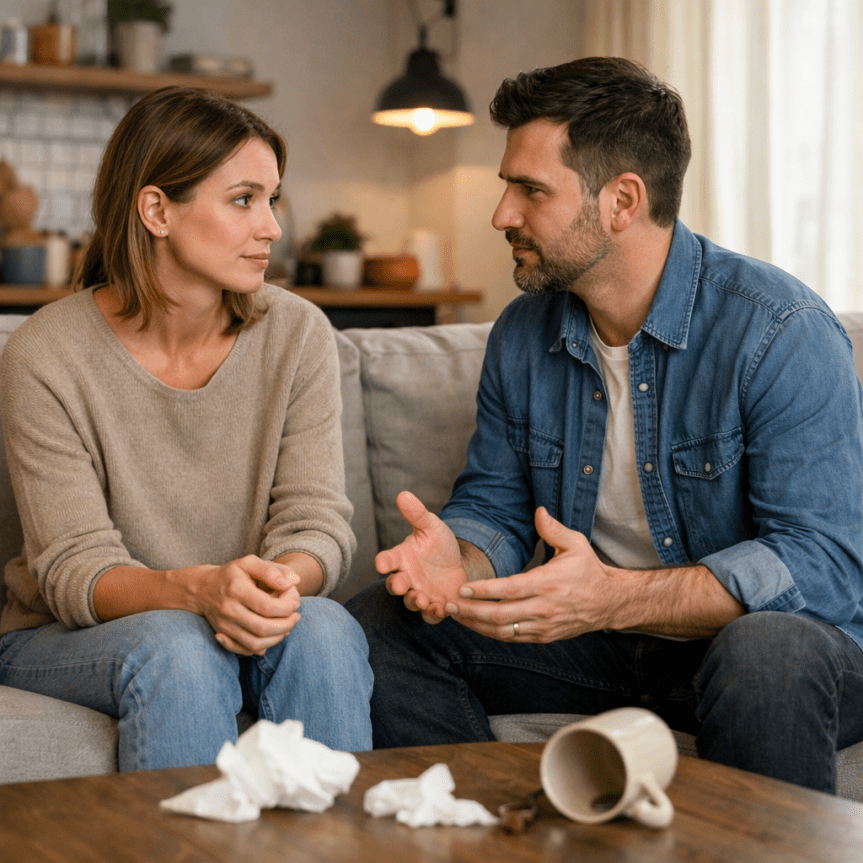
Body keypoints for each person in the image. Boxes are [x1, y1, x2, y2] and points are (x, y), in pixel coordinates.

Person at [346, 57, 863, 793]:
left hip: (773, 648)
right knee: (380, 624)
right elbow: (495, 506)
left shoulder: (779, 330)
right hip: (603, 644)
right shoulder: (523, 334)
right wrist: (458, 563)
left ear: (622, 200)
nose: (501, 214)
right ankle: (485, 833)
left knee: (766, 651)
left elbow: (823, 566)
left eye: (530, 190)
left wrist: (613, 596)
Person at [0, 86, 373, 771]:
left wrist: (269, 588)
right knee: (178, 646)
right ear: (156, 211)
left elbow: (315, 522)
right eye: (244, 200)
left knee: (324, 627)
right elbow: (74, 569)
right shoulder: (44, 355)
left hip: (238, 611)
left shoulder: (297, 334)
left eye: (272, 199)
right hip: (68, 634)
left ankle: (334, 833)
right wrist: (201, 591)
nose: (272, 228)